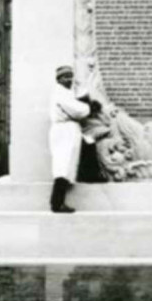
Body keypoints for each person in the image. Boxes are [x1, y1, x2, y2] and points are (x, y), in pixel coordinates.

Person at [48, 65, 94, 213]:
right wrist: (89, 107)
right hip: (63, 131)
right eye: (65, 77)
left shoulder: (65, 93)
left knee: (67, 164)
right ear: (59, 79)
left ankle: (58, 201)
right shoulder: (60, 93)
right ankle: (57, 203)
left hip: (68, 130)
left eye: (70, 76)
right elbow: (77, 110)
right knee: (62, 165)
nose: (69, 80)